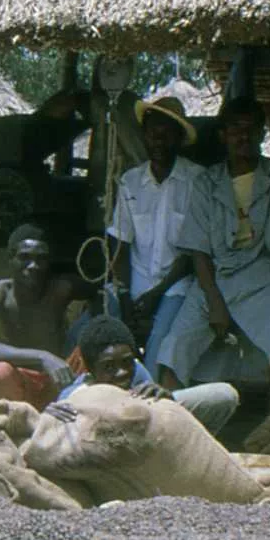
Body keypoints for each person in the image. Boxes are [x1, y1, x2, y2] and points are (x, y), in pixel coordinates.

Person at [159, 96, 270, 411]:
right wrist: (215, 302)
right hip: (216, 276)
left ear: (263, 134)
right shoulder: (208, 182)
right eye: (235, 129)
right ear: (222, 135)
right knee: (174, 349)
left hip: (264, 273)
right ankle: (173, 420)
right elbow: (199, 253)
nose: (242, 136)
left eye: (251, 129)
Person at [109, 95, 201, 377]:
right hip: (135, 283)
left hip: (175, 287)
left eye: (166, 135)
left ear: (178, 138)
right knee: (99, 336)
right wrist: (124, 295)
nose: (158, 142)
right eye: (152, 134)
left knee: (158, 350)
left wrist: (155, 294)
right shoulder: (130, 181)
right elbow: (120, 244)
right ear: (144, 136)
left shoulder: (197, 180)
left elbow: (191, 254)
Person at [53, 314, 240, 435]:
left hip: (145, 427)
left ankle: (195, 453)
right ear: (91, 371)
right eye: (109, 367)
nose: (122, 373)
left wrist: (165, 397)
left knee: (224, 394)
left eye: (127, 362)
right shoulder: (76, 394)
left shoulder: (136, 369)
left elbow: (156, 414)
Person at [0, 223, 83, 409]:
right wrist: (42, 357)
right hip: (18, 383)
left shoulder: (60, 289)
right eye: (24, 257)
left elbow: (102, 290)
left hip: (59, 382)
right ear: (10, 259)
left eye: (41, 259)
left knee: (89, 353)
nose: (33, 266)